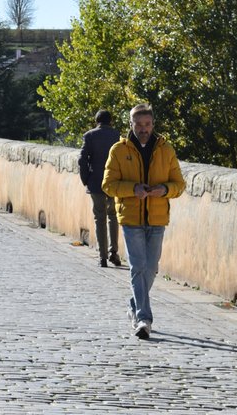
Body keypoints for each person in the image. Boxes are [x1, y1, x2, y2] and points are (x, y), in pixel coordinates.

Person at [102, 103, 185, 340]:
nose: (143, 129)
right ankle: (143, 318)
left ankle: (133, 304)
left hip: (158, 217)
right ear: (131, 125)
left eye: (147, 124)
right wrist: (133, 189)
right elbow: (107, 185)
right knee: (138, 266)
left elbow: (179, 185)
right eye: (138, 125)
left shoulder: (165, 149)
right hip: (131, 218)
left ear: (153, 125)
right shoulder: (119, 150)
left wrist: (164, 189)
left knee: (151, 268)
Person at [79, 109, 122, 268]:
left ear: (96, 120)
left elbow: (83, 160)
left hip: (96, 181)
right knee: (113, 216)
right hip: (114, 182)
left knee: (99, 217)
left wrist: (86, 180)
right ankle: (114, 253)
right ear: (110, 121)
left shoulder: (89, 136)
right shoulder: (117, 135)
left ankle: (102, 256)